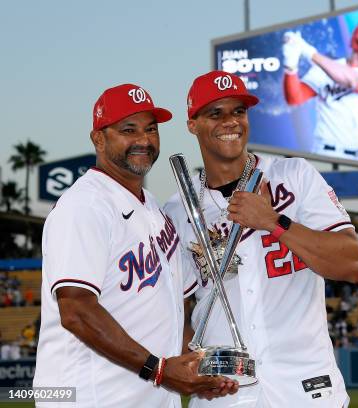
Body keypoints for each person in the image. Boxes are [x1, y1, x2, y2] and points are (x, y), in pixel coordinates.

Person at [164, 70, 358, 407]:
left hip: (307, 388)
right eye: (216, 113)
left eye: (239, 111)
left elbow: (352, 263)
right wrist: (190, 362)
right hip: (226, 393)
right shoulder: (177, 210)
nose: (231, 122)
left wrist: (273, 221)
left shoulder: (294, 176)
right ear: (192, 124)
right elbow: (174, 310)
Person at [34, 83, 238, 407]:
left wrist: (195, 369)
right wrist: (158, 371)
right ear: (98, 138)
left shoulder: (154, 209)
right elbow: (76, 310)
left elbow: (172, 312)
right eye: (128, 129)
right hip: (92, 398)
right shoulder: (85, 206)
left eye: (151, 129)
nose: (143, 140)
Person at [282, 20, 358, 161]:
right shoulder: (326, 69)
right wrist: (290, 64)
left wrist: (308, 51)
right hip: (325, 154)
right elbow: (294, 98)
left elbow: (354, 81)